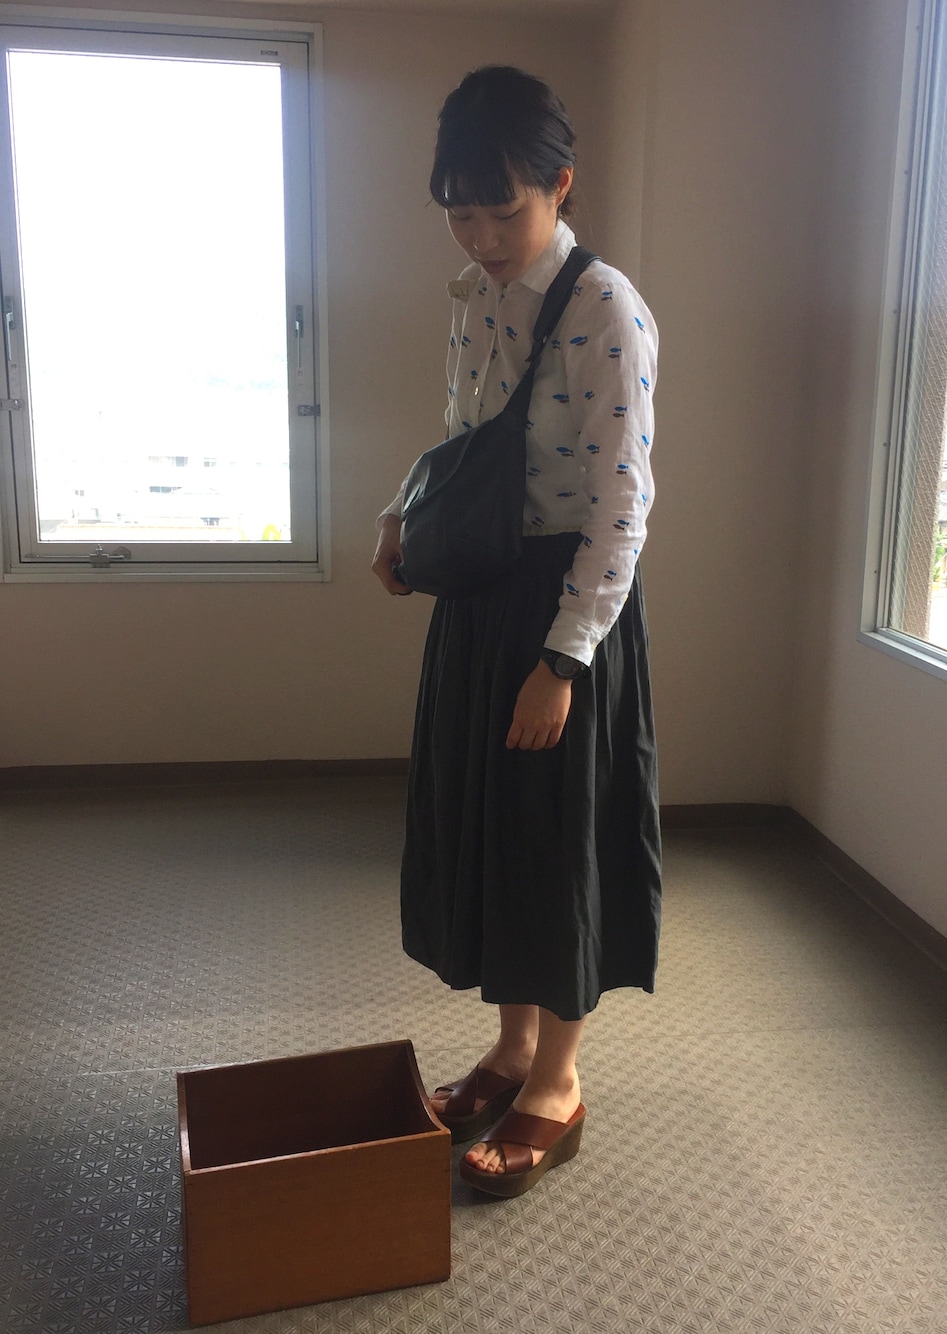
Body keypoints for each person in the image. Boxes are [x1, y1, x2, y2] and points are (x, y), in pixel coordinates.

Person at [372, 65, 661, 1198]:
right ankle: (508, 1048)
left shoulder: (604, 307)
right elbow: (463, 433)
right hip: (482, 590)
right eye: (461, 212)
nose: (484, 237)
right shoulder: (473, 293)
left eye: (505, 211)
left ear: (560, 187)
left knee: (555, 841)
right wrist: (403, 511)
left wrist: (562, 660)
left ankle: (558, 1082)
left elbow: (624, 507)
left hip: (563, 607)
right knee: (492, 829)